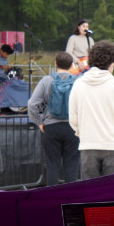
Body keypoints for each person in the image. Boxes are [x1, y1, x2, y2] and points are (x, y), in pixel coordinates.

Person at [68, 40, 114, 178]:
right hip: (113, 145)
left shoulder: (78, 85)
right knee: (113, 192)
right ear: (112, 62)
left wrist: (83, 133)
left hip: (87, 145)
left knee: (91, 193)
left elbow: (73, 119)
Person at [27, 52, 80, 185]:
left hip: (51, 127)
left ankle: (52, 198)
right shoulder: (77, 81)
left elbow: (32, 104)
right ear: (71, 65)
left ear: (55, 64)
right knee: (72, 164)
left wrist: (39, 123)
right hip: (72, 128)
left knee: (52, 164)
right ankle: (70, 200)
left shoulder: (46, 80)